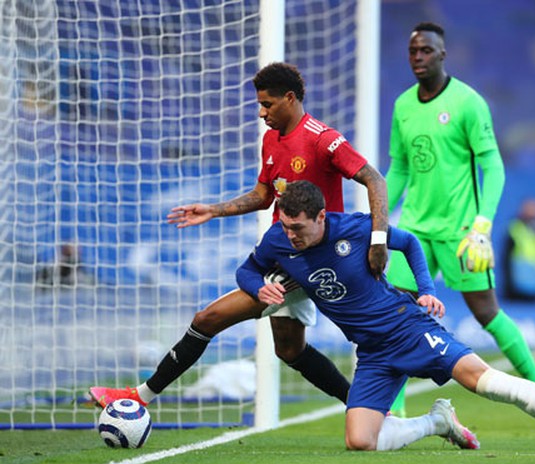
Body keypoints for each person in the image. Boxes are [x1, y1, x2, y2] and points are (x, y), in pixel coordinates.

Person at [236, 180, 535, 453]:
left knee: (487, 383)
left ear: (321, 217)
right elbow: (247, 270)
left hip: (407, 327)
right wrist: (258, 288)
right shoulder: (277, 239)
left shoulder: (357, 229)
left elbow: (408, 242)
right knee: (359, 441)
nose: (291, 236)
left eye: (298, 228)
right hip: (372, 352)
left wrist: (427, 291)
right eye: (286, 227)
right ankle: (437, 423)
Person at [89, 62, 389, 408]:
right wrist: (215, 209)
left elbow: (374, 179)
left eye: (268, 104)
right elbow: (263, 196)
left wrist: (378, 241)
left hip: (311, 257)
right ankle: (366, 407)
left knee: (207, 319)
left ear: (289, 98)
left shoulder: (323, 139)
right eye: (259, 105)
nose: (262, 113)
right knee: (289, 348)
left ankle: (139, 396)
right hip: (285, 251)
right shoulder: (271, 140)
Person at [384, 22, 535, 422]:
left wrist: (481, 227)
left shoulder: (468, 103)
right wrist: (374, 217)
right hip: (415, 233)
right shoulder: (403, 105)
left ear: (443, 54)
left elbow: (493, 166)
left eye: (426, 50)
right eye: (413, 51)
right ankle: (394, 412)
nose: (418, 57)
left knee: (487, 314)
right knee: (402, 315)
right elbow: (400, 169)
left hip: (461, 235)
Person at [503, 197, 535, 301]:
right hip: (517, 290)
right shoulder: (516, 228)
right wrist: (509, 286)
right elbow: (506, 259)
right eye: (531, 208)